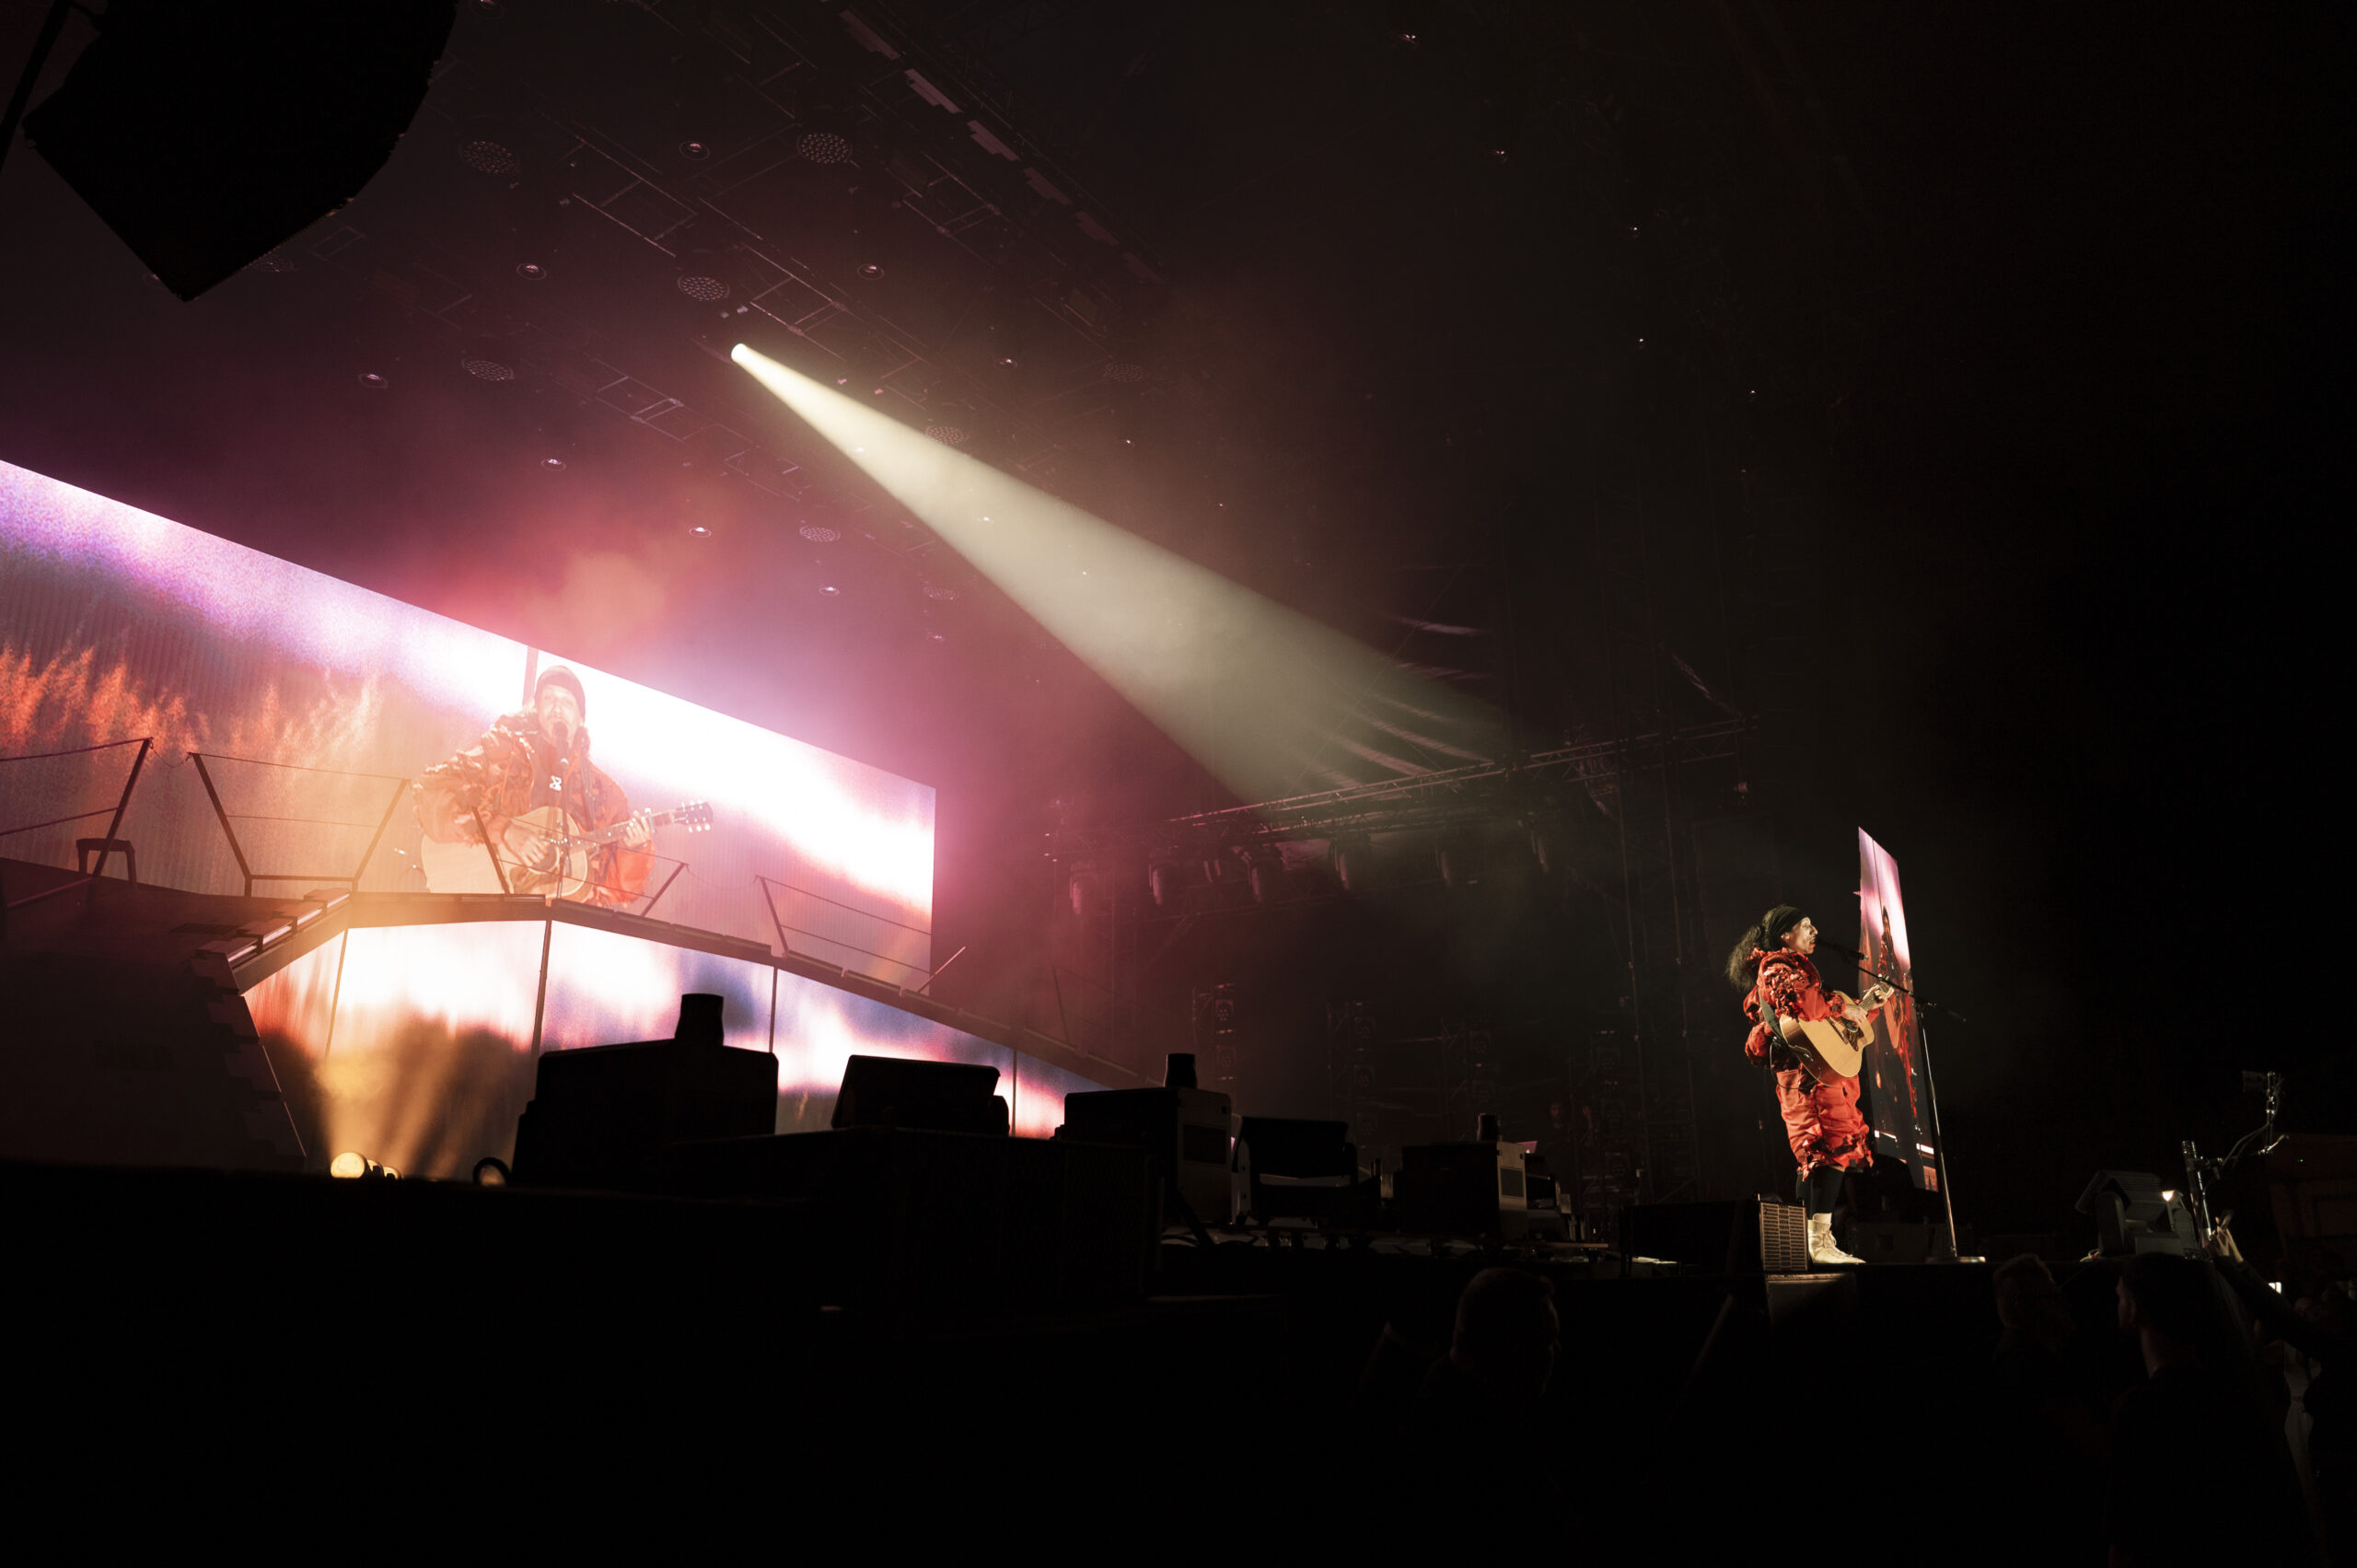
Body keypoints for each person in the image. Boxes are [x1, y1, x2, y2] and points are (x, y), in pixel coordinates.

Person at [2107, 1252, 2311, 1565]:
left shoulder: (2141, 1409)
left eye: (2121, 1297)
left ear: (2135, 1309)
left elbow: (2128, 1528)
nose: (2117, 1305)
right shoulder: (2233, 1393)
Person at [416, 665, 652, 908]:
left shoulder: (606, 793)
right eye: (549, 698)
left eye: (567, 702)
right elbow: (434, 794)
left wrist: (634, 848)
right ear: (537, 709)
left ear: (581, 718)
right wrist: (505, 831)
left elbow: (623, 891)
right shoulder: (501, 754)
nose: (557, 708)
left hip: (563, 922)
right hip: (489, 909)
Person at [1725, 904, 1882, 1266]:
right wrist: (1842, 1007)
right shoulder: (1776, 967)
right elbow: (1807, 1007)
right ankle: (1817, 1242)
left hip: (1814, 1073)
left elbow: (1824, 1025)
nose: (1815, 932)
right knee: (1827, 1147)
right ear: (1785, 934)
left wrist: (1866, 1007)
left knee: (1823, 1153)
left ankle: (1813, 1241)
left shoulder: (1796, 970)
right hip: (1804, 1078)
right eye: (1806, 925)